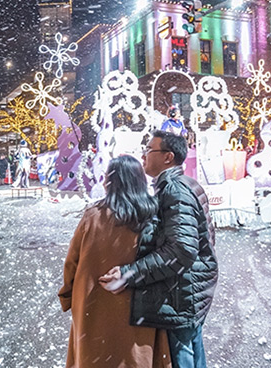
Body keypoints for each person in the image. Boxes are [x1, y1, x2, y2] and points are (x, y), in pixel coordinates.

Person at [99, 131, 218, 368]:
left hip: (182, 292)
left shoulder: (174, 190)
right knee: (192, 352)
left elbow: (181, 250)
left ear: (167, 157)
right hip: (190, 289)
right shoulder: (184, 184)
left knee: (182, 358)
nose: (143, 155)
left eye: (149, 150)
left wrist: (129, 273)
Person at [59, 155, 171, 368]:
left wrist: (68, 296)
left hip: (94, 304)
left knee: (94, 358)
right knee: (136, 358)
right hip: (138, 307)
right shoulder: (153, 215)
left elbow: (72, 262)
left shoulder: (93, 216)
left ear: (110, 181)